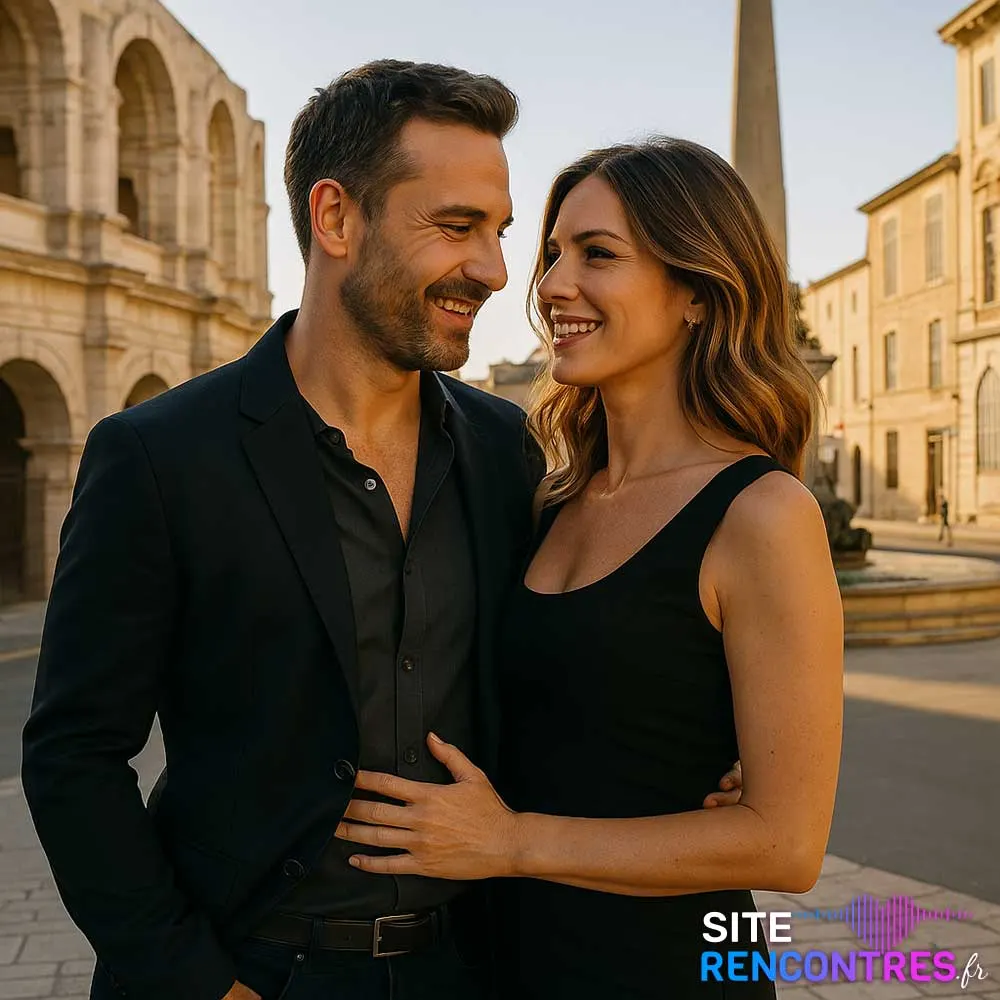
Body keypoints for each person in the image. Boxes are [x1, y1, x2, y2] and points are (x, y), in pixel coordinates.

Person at [21, 66, 741, 1000]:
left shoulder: (507, 452)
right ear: (336, 219)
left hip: (474, 967)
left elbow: (573, 658)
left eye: (500, 233)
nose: (494, 269)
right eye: (456, 227)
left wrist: (694, 753)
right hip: (255, 969)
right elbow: (73, 754)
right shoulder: (157, 456)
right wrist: (196, 984)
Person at [332, 139, 845, 997]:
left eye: (598, 254)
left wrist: (509, 840)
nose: (552, 285)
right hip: (508, 962)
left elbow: (786, 846)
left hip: (662, 968)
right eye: (553, 253)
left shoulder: (763, 514)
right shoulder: (547, 495)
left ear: (695, 292)